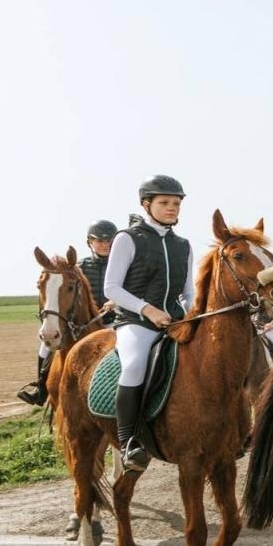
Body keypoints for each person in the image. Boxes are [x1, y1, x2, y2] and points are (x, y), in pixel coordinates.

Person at [102, 175, 194, 472]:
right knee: (134, 364)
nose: (172, 208)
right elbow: (112, 288)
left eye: (176, 203)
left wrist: (192, 314)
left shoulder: (184, 245)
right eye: (165, 203)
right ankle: (128, 442)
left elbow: (189, 292)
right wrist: (148, 310)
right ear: (146, 204)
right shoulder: (127, 238)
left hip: (175, 321)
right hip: (135, 322)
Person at [16, 218, 117, 406]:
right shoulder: (80, 267)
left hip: (114, 320)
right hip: (84, 321)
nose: (105, 245)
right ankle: (41, 388)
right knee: (45, 347)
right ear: (90, 243)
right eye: (99, 241)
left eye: (109, 241)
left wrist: (116, 302)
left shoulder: (122, 265)